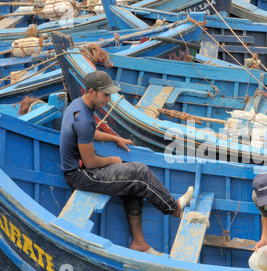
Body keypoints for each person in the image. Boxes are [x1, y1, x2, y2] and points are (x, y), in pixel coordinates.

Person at [60, 70, 193, 256]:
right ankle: (173, 208)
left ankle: (139, 243)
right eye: (105, 95)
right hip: (80, 175)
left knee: (133, 185)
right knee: (139, 172)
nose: (108, 99)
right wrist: (112, 160)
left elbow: (88, 134)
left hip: (82, 170)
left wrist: (115, 139)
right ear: (91, 91)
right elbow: (90, 162)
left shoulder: (77, 105)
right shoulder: (83, 118)